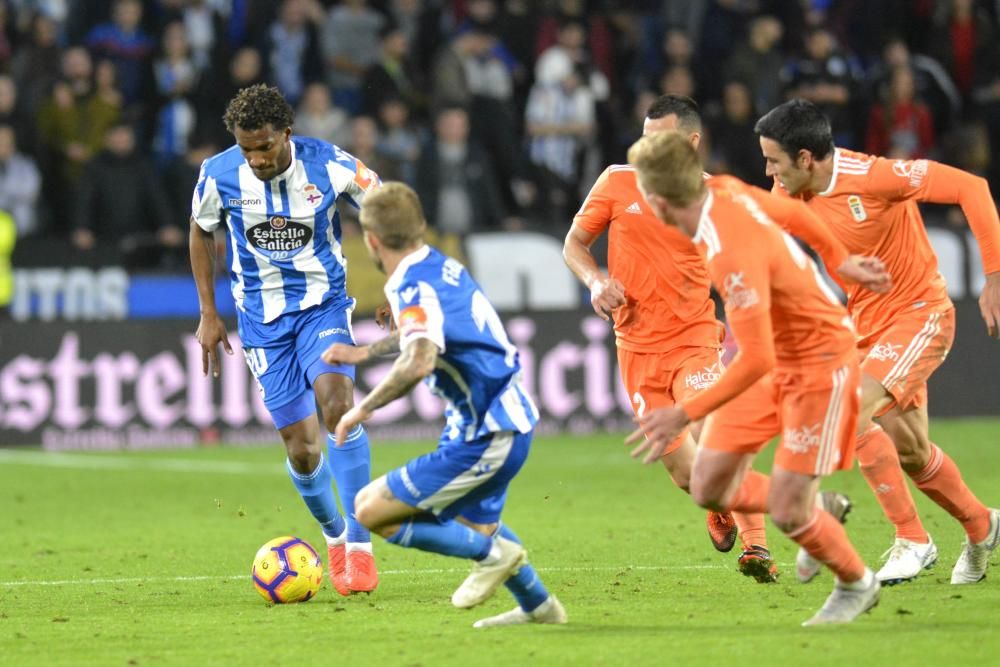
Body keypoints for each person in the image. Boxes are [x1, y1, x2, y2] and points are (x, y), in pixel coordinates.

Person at [625, 130, 891, 625]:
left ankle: (857, 582)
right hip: (781, 359)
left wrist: (682, 413)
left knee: (789, 513)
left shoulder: (729, 253)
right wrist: (838, 259)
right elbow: (790, 211)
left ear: (658, 202)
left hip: (817, 362)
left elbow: (756, 359)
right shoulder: (723, 190)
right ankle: (817, 507)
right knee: (707, 484)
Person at [755, 99, 1000, 586]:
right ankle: (982, 525)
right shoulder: (788, 187)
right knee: (911, 451)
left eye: (774, 161)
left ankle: (913, 539)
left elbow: (972, 187)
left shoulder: (876, 177)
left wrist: (993, 276)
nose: (769, 171)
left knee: (849, 408)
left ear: (806, 158)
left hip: (919, 314)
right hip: (865, 327)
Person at [323, 181, 566, 629]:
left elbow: (419, 359)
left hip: (487, 433)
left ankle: (493, 558)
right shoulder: (440, 265)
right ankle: (539, 607)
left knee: (370, 510)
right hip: (502, 420)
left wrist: (362, 409)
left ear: (371, 240)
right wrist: (364, 353)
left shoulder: (412, 285)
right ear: (420, 227)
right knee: (475, 526)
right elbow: (426, 333)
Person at [564, 94, 778, 581]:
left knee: (716, 435)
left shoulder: (714, 199)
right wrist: (596, 281)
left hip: (695, 341)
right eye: (645, 140)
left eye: (659, 141)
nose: (648, 151)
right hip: (636, 351)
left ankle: (757, 546)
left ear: (691, 141)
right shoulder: (618, 181)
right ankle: (718, 507)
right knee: (689, 476)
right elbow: (574, 244)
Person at [189, 84, 381, 597]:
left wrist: (396, 279)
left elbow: (385, 208)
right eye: (246, 148)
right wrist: (209, 313)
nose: (255, 158)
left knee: (338, 407)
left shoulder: (330, 164)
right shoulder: (218, 173)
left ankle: (360, 545)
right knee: (300, 447)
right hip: (261, 323)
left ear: (286, 134)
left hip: (323, 306)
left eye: (265, 146)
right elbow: (200, 230)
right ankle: (334, 535)